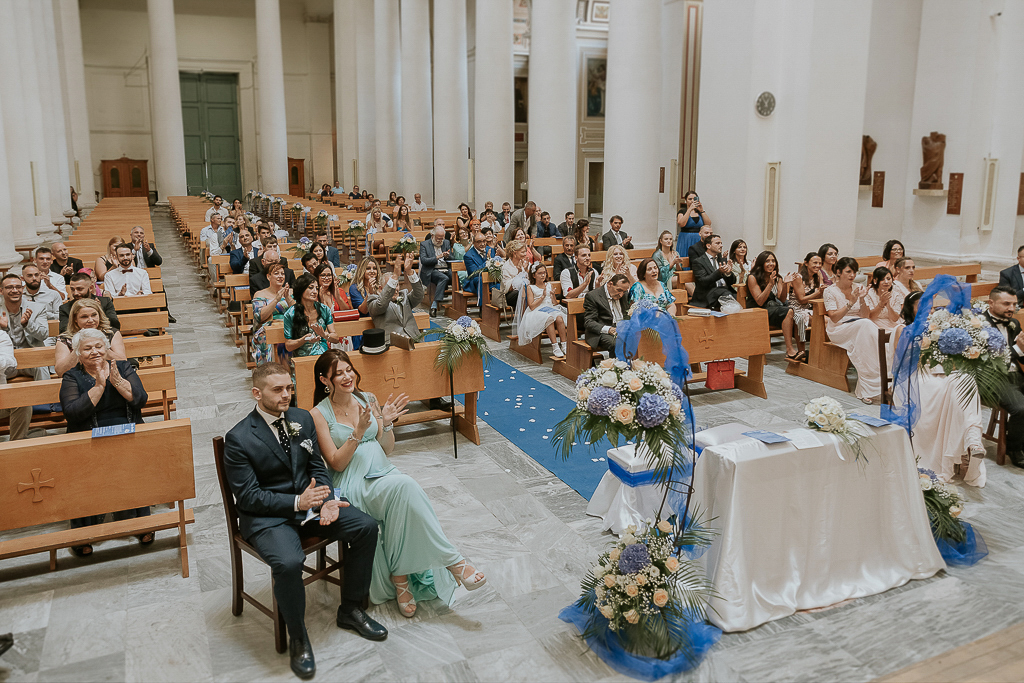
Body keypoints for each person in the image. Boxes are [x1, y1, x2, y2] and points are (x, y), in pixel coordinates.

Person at [225, 363, 386, 678]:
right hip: (268, 517)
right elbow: (248, 498)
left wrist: (326, 500)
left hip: (311, 506)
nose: (286, 395)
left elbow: (316, 466)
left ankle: (351, 609)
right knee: (288, 562)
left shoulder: (301, 418)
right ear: (256, 393)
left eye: (289, 388)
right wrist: (297, 502)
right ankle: (298, 637)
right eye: (277, 390)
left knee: (365, 527)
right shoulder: (239, 438)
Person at [311, 351, 485, 618]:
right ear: (325, 380)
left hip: (383, 472)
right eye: (339, 373)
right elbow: (336, 463)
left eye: (349, 370)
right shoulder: (318, 414)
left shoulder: (367, 399)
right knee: (406, 486)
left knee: (405, 495)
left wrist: (387, 423)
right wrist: (357, 433)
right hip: (351, 482)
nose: (347, 377)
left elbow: (386, 448)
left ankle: (402, 578)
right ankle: (454, 563)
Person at [61, 328, 151, 557]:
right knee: (83, 474)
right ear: (78, 353)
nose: (94, 352)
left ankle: (141, 523)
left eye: (99, 346)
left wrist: (118, 383)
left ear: (106, 348)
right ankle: (83, 532)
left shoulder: (122, 367)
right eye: (87, 348)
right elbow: (72, 413)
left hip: (126, 431)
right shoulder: (72, 376)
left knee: (135, 463)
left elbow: (141, 399)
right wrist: (99, 387)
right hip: (88, 435)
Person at [893, 292, 985, 486]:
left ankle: (973, 440)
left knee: (966, 381)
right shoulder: (903, 329)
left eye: (931, 305)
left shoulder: (940, 327)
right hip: (915, 376)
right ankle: (957, 450)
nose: (929, 309)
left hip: (942, 372)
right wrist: (924, 346)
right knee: (940, 389)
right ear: (910, 308)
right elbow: (902, 361)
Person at [823, 257, 881, 403]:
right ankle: (871, 386)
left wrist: (862, 299)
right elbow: (834, 318)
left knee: (867, 338)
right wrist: (850, 302)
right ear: (838, 272)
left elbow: (865, 316)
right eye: (848, 272)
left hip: (859, 326)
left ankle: (869, 387)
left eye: (854, 272)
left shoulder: (858, 287)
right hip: (839, 329)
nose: (852, 275)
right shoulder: (830, 291)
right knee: (866, 327)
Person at [747, 251, 799, 359]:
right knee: (788, 311)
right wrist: (770, 284)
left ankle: (801, 350)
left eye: (773, 261)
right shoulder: (753, 277)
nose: (771, 264)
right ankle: (789, 349)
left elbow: (782, 299)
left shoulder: (777, 277)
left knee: (797, 313)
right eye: (767, 261)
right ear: (761, 263)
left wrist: (785, 284)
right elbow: (759, 301)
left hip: (773, 308)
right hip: (757, 310)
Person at [56, 298, 126, 377]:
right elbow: (60, 371)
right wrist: (79, 346)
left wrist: (101, 345)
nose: (90, 320)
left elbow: (123, 363)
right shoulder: (64, 339)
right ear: (75, 319)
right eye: (84, 317)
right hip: (78, 378)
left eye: (94, 315)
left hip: (109, 376)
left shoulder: (111, 333)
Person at [515, 262, 568, 358]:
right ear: (534, 275)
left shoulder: (548, 285)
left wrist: (553, 296)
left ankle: (564, 344)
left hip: (549, 308)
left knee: (559, 318)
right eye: (540, 273)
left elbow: (554, 304)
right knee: (549, 318)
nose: (543, 275)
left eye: (544, 272)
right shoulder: (530, 287)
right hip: (536, 311)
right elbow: (531, 306)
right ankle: (555, 346)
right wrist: (542, 296)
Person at [367, 254, 423, 340]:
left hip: (414, 339)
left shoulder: (404, 297)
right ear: (381, 289)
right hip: (392, 343)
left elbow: (419, 295)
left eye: (396, 285)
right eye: (392, 285)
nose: (395, 289)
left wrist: (409, 272)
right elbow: (381, 305)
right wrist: (395, 276)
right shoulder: (373, 301)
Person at [284, 274, 339, 358]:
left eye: (316, 288)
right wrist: (304, 339)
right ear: (301, 289)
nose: (315, 291)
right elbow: (288, 346)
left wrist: (324, 334)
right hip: (302, 358)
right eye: (310, 288)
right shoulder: (290, 314)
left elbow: (336, 339)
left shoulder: (324, 309)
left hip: (323, 356)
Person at [251, 263, 294, 366]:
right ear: (268, 276)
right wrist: (276, 300)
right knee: (265, 337)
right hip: (268, 327)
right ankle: (269, 368)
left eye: (282, 273)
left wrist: (287, 298)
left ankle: (290, 369)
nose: (280, 276)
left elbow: (298, 312)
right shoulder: (260, 294)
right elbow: (260, 317)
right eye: (276, 273)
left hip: (289, 326)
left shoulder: (291, 292)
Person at [788, 252, 826, 360]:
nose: (818, 266)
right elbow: (801, 300)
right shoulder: (798, 277)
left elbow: (819, 295)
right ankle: (802, 351)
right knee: (808, 320)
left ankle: (822, 351)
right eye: (815, 263)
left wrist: (822, 291)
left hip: (811, 307)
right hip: (796, 308)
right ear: (806, 263)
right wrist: (818, 292)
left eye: (820, 263)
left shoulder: (818, 276)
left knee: (828, 320)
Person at [583, 274, 630, 357]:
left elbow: (627, 315)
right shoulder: (593, 296)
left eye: (624, 291)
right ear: (610, 284)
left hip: (622, 329)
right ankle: (618, 365)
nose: (621, 295)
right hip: (603, 332)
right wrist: (609, 329)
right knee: (618, 344)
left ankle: (639, 364)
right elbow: (589, 322)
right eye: (619, 290)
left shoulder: (624, 294)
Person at [0, 326, 31, 441]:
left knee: (22, 400)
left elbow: (11, 363)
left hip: (1, 400)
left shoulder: (1, 336)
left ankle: (17, 445)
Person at [690, 234, 736, 310]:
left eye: (721, 243)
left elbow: (732, 282)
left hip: (724, 292)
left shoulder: (721, 260)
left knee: (737, 295)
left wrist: (728, 273)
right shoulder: (699, 261)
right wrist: (719, 272)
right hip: (708, 294)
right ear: (708, 246)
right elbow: (703, 281)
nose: (721, 245)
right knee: (726, 295)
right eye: (717, 243)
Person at [420, 225, 452, 317]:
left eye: (442, 238)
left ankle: (458, 304)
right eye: (438, 238)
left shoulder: (446, 242)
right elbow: (424, 260)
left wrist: (447, 256)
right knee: (444, 278)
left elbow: (452, 257)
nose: (440, 241)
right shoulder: (424, 244)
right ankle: (434, 305)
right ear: (432, 235)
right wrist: (438, 257)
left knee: (455, 276)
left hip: (445, 268)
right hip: (432, 270)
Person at [462, 233, 496, 308]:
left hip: (491, 278)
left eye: (484, 241)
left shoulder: (490, 250)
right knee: (481, 280)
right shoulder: (468, 255)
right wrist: (488, 260)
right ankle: (482, 307)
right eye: (479, 242)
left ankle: (500, 305)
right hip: (475, 281)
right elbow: (474, 273)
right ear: (474, 243)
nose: (482, 244)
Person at [677, 191, 710, 258]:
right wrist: (689, 210)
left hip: (698, 238)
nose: (692, 201)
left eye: (694, 199)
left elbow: (708, 224)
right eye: (690, 199)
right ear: (686, 200)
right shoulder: (682, 211)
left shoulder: (699, 212)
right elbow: (681, 224)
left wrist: (702, 210)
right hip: (685, 238)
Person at [500, 240, 530, 311]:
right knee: (523, 292)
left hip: (526, 291)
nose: (525, 254)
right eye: (522, 252)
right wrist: (519, 274)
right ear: (514, 253)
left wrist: (526, 271)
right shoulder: (506, 267)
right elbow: (508, 288)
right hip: (510, 295)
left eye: (525, 252)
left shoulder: (525, 263)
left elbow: (532, 281)